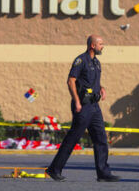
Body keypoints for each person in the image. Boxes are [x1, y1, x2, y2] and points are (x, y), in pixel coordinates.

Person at [46, 35, 120, 182]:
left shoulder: (97, 63)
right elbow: (71, 81)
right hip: (83, 106)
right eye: (100, 44)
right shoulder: (81, 60)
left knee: (101, 139)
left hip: (94, 106)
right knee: (73, 138)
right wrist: (77, 101)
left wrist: (102, 88)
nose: (102, 46)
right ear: (92, 45)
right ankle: (54, 169)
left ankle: (103, 173)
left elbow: (92, 82)